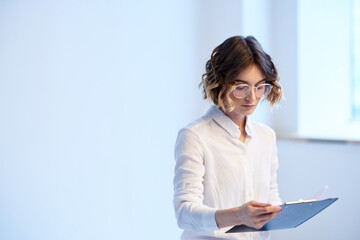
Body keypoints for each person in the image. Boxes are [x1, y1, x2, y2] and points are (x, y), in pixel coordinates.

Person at [173, 35, 283, 240]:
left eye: (260, 87)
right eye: (241, 87)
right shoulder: (194, 136)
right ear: (220, 83)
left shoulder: (266, 136)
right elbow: (184, 214)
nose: (252, 97)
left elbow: (272, 198)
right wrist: (237, 215)